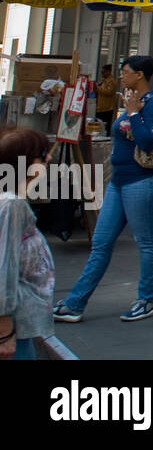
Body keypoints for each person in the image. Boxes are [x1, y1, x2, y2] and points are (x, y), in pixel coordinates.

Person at [53, 56, 153, 324]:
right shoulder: (132, 100)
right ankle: (75, 302)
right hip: (119, 182)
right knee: (101, 243)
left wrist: (133, 112)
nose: (121, 76)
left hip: (143, 181)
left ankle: (147, 299)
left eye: (125, 72)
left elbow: (149, 140)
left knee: (147, 242)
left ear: (139, 75)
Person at [0, 126, 55, 360]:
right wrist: (4, 331)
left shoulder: (13, 200)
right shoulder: (11, 205)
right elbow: (4, 268)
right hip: (13, 330)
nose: (49, 159)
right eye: (42, 155)